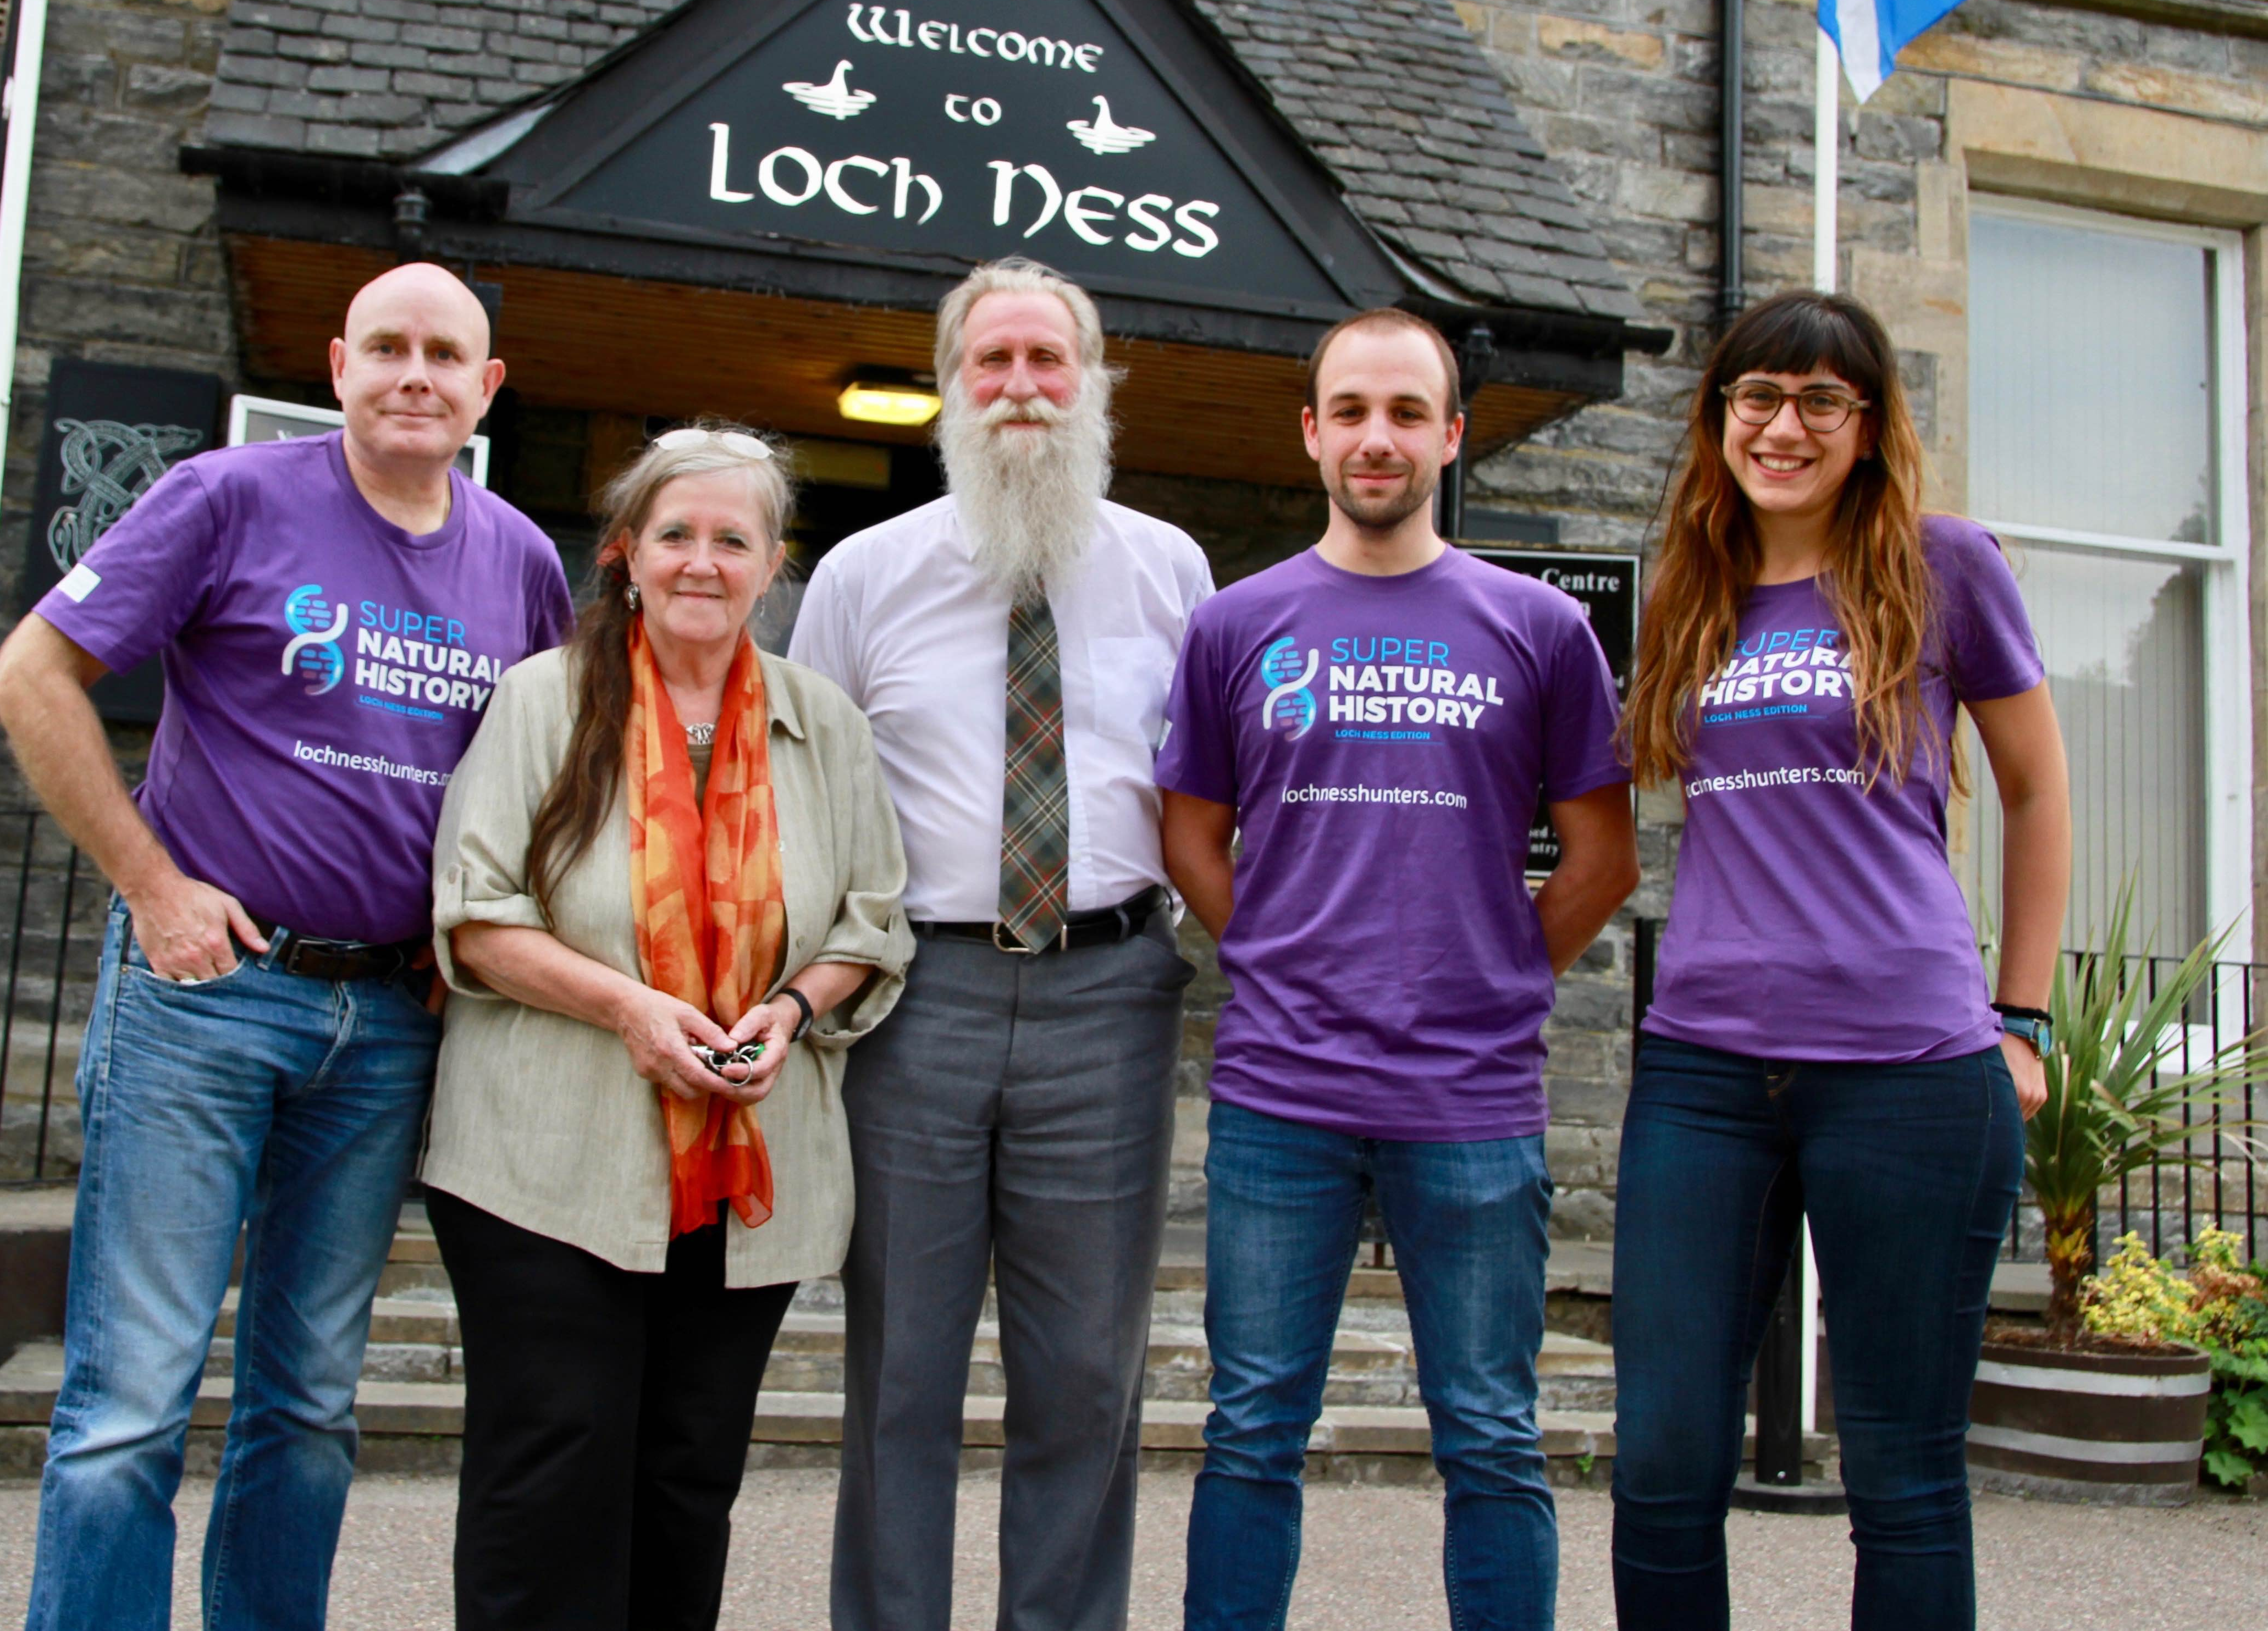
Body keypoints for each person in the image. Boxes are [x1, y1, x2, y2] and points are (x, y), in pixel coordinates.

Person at [0, 262, 570, 1631]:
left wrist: (475, 940)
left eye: (445, 353)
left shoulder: (522, 559)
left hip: (389, 1025)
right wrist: (151, 882)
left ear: (486, 388)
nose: (413, 372)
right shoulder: (228, 496)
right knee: (133, 1397)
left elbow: (550, 774)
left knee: (308, 1400)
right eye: (387, 347)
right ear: (340, 365)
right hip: (207, 997)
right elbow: (30, 677)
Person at [1156, 306, 1641, 1631]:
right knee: (1252, 1424)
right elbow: (1189, 826)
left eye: (1407, 412)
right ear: (1311, 432)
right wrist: (1261, 944)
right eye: (1353, 411)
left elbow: (1603, 854)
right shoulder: (1236, 624)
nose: (1380, 437)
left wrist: (1497, 971)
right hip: (1280, 1092)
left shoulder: (1536, 626)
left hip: (1472, 1098)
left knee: (1490, 1432)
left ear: (1451, 435)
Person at [1609, 289, 2067, 1630]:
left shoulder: (1943, 565)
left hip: (1910, 1068)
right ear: (1719, 418)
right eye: (1756, 395)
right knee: (1662, 1456)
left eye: (1821, 399)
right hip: (1704, 1069)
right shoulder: (1691, 592)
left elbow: (2036, 792)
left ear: (1866, 426)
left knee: (1903, 1466)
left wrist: (2022, 1016)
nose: (1784, 424)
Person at [422, 424, 912, 1631]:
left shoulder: (826, 723)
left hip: (750, 1164)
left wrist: (793, 1008)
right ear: (625, 553)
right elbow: (477, 918)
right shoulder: (542, 701)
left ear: (772, 563)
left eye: (732, 539)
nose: (703, 560)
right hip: (546, 1161)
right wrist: (631, 1007)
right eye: (676, 534)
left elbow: (873, 921)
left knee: (690, 1476)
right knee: (551, 1468)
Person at [790, 257, 1212, 1631]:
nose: (1024, 386)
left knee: (1087, 1374)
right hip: (919, 997)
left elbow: (1209, 792)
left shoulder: (1174, 571)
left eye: (1051, 361)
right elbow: (808, 801)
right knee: (901, 1367)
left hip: (1110, 994)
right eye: (995, 362)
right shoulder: (862, 575)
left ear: (1094, 383)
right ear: (949, 386)